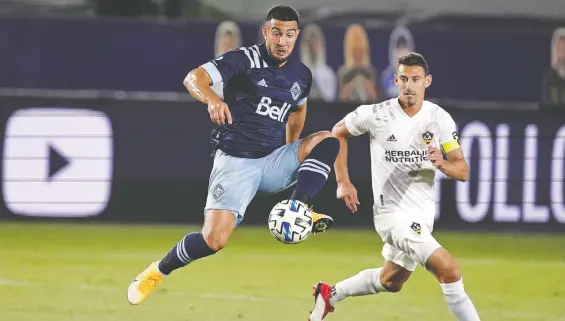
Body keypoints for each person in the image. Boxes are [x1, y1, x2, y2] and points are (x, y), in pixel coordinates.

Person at [127, 5, 339, 305]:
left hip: (272, 161)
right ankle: (158, 271)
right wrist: (212, 99)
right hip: (236, 163)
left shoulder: (301, 74)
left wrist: (292, 150)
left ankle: (298, 205)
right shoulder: (243, 59)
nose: (282, 41)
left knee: (327, 140)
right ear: (266, 31)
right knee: (214, 240)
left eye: (289, 35)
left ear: (297, 36)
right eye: (277, 33)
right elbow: (193, 78)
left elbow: (298, 111)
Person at [309, 53, 481, 321]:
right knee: (449, 270)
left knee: (392, 280)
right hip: (391, 216)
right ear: (395, 80)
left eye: (415, 79)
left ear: (427, 81)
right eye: (403, 79)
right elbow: (337, 133)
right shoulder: (377, 114)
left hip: (421, 216)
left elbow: (462, 170)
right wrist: (343, 181)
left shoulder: (440, 119)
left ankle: (329, 294)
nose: (409, 86)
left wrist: (441, 163)